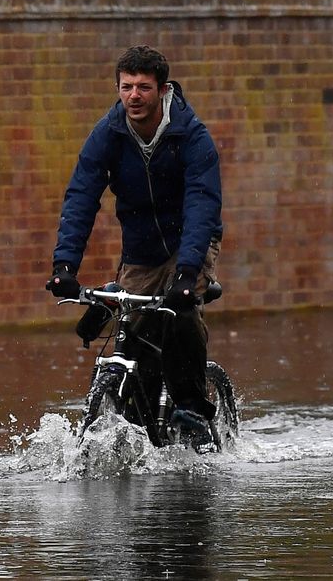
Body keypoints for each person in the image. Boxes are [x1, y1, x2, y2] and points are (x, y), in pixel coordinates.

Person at [46, 45, 223, 440]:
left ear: (162, 90)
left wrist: (187, 272)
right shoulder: (108, 134)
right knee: (135, 328)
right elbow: (81, 196)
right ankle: (139, 419)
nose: (134, 96)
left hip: (191, 241)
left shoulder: (192, 136)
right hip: (141, 250)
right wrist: (64, 267)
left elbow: (201, 203)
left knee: (180, 313)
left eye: (144, 87)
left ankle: (193, 407)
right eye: (126, 87)